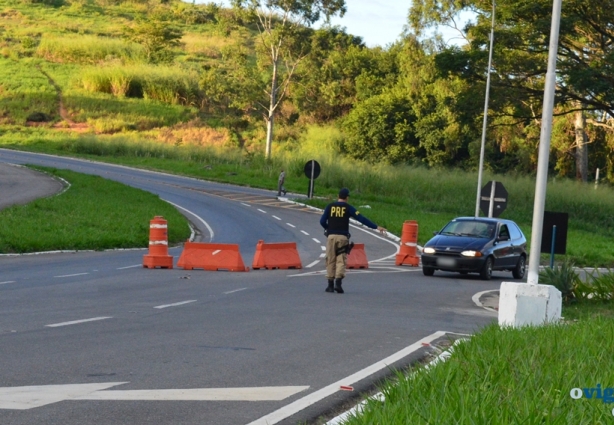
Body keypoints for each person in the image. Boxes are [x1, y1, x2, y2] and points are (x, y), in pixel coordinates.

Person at [319, 188, 386, 294]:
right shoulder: (348, 208)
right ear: (347, 197)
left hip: (331, 237)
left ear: (338, 196)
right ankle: (338, 283)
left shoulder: (329, 206)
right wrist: (376, 227)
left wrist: (329, 229)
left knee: (330, 259)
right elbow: (361, 219)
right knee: (341, 260)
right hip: (342, 237)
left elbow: (322, 221)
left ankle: (330, 285)